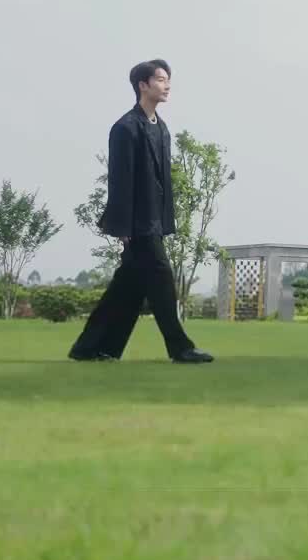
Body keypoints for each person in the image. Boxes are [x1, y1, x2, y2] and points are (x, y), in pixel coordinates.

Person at [69, 60, 213, 365]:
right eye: (160, 79)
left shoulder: (162, 128)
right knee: (162, 279)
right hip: (137, 224)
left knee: (128, 289)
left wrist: (165, 220)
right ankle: (180, 348)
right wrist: (122, 226)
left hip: (155, 221)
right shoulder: (125, 128)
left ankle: (92, 348)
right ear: (143, 85)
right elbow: (119, 180)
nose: (167, 85)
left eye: (168, 79)